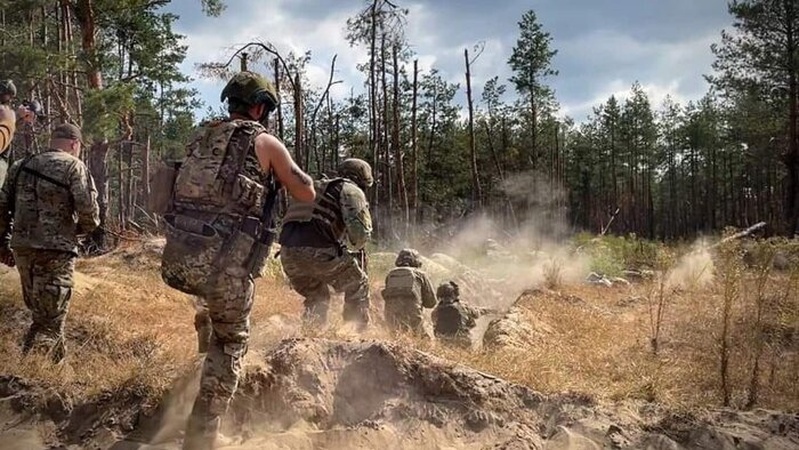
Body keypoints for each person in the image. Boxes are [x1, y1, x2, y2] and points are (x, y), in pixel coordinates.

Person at [158, 70, 314, 450]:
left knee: (213, 316)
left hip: (183, 257)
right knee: (231, 343)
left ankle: (199, 357)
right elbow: (305, 192)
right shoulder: (265, 142)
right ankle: (201, 436)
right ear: (260, 108)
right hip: (225, 267)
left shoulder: (199, 136)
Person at [0, 123, 99, 363]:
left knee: (42, 314)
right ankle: (35, 377)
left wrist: (3, 244)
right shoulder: (74, 166)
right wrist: (81, 230)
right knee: (51, 320)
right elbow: (89, 211)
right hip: (55, 251)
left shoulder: (19, 165)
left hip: (23, 249)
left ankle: (51, 370)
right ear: (75, 144)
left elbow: (2, 207)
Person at [279, 158, 374, 331]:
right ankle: (356, 333)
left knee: (317, 295)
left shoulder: (315, 186)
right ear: (362, 179)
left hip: (287, 255)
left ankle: (310, 336)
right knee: (358, 283)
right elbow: (360, 236)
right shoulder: (351, 190)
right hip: (318, 251)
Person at [381, 248, 436, 335]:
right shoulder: (420, 274)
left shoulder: (390, 274)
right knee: (424, 342)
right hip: (413, 320)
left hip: (391, 319)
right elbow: (431, 303)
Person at [432, 281, 487, 349]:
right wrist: (489, 311)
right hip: (463, 342)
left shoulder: (435, 311)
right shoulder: (463, 306)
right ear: (455, 293)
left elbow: (435, 327)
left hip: (444, 343)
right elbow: (476, 313)